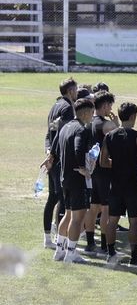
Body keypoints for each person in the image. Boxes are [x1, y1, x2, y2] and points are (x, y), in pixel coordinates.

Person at [99, 102, 137, 265]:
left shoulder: (109, 136)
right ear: (133, 116)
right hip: (133, 185)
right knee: (134, 221)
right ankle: (135, 257)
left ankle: (111, 253)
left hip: (115, 185)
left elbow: (103, 162)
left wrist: (118, 163)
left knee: (112, 220)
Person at [52, 98, 95, 264]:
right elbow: (78, 148)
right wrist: (83, 168)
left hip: (65, 178)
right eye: (91, 112)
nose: (92, 116)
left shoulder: (65, 127)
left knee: (68, 214)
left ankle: (59, 251)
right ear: (84, 112)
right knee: (78, 217)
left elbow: (55, 150)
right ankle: (71, 253)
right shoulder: (81, 130)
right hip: (77, 179)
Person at [42, 77, 78, 250]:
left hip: (52, 157)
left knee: (53, 198)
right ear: (71, 91)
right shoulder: (68, 108)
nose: (77, 93)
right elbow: (63, 136)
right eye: (76, 90)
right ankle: (60, 239)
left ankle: (48, 237)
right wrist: (54, 155)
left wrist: (48, 152)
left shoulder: (55, 106)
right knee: (64, 200)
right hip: (60, 160)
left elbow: (49, 134)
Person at [83, 91, 118, 257]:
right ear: (105, 106)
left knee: (93, 207)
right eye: (110, 105)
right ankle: (105, 246)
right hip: (105, 170)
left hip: (90, 170)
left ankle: (90, 244)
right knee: (105, 208)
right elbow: (120, 135)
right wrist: (116, 122)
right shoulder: (107, 125)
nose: (111, 108)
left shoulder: (88, 122)